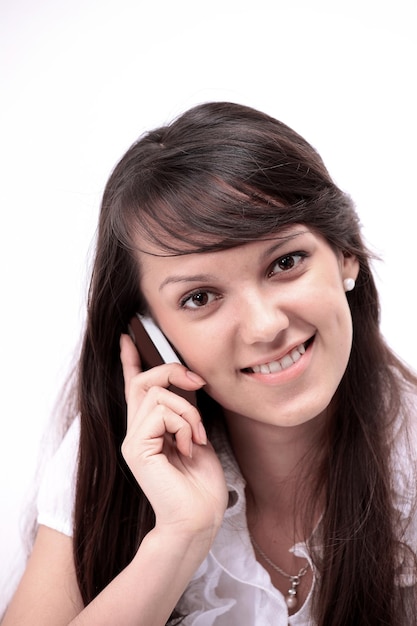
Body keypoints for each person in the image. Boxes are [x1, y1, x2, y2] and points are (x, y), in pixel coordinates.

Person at [2, 101, 417, 626]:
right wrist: (179, 536)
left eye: (285, 262)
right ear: (150, 336)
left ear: (346, 253)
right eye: (200, 297)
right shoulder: (122, 449)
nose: (265, 326)